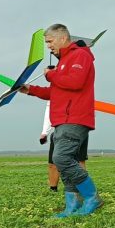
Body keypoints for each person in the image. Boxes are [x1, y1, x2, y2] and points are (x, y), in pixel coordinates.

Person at [22, 23, 102, 217]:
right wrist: (31, 90)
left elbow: (75, 82)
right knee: (64, 161)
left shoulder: (80, 55)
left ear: (63, 38)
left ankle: (92, 198)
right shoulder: (63, 62)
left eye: (49, 41)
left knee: (61, 158)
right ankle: (72, 205)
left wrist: (51, 74)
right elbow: (56, 91)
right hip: (61, 119)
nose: (48, 46)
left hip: (74, 118)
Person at [40, 101, 87, 192]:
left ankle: (83, 189)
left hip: (78, 129)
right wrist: (45, 132)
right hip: (59, 131)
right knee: (53, 162)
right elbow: (48, 112)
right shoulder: (53, 96)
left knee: (80, 161)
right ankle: (53, 189)